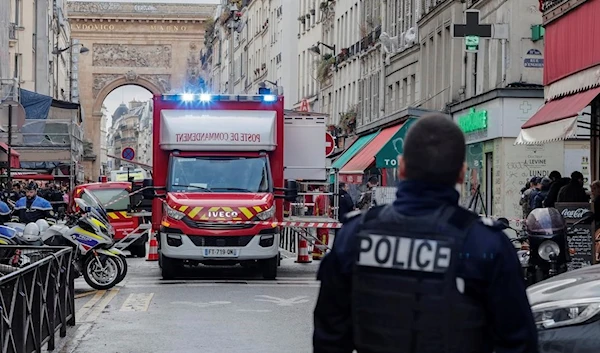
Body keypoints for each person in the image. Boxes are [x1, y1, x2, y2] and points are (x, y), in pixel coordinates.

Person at [313, 114, 538, 353]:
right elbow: (519, 342)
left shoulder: (355, 235)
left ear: (401, 168)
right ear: (461, 174)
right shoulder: (487, 244)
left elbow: (329, 337)